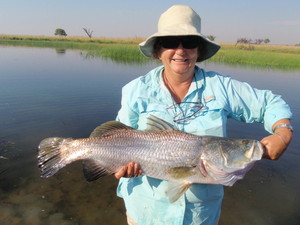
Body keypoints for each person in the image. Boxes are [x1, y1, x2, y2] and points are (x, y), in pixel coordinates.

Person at [114, 5, 293, 225]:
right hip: (147, 212)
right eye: (171, 42)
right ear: (158, 50)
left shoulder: (221, 88)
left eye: (189, 42)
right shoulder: (135, 90)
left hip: (200, 217)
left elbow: (271, 103)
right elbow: (119, 136)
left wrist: (283, 132)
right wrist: (120, 165)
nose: (181, 50)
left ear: (198, 50)